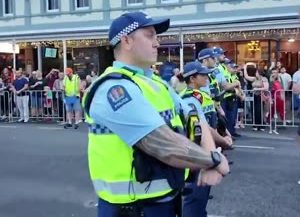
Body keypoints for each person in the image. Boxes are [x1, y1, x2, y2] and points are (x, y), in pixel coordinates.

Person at [82, 12, 230, 217]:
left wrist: (209, 155)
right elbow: (160, 142)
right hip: (131, 209)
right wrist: (212, 160)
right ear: (126, 40)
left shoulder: (156, 83)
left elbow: (195, 116)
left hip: (166, 201)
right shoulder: (113, 89)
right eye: (149, 35)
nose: (157, 43)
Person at [179, 61, 233, 217]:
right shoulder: (190, 99)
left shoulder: (201, 96)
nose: (207, 78)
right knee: (195, 199)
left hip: (208, 149)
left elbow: (211, 120)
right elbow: (202, 127)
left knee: (201, 198)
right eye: (203, 75)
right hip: (197, 152)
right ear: (192, 78)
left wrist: (224, 133)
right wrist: (222, 140)